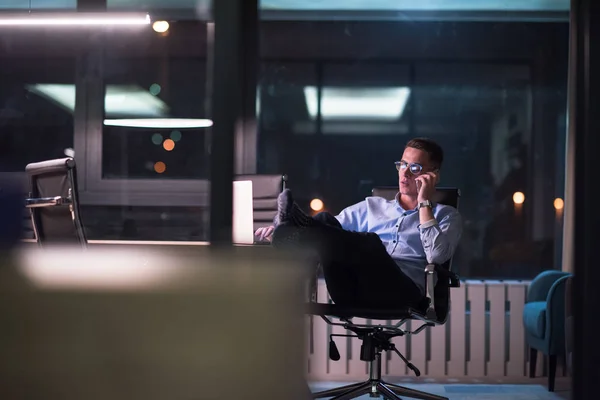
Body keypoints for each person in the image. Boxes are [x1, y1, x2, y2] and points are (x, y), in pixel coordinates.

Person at [255, 138, 462, 309]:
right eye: (402, 164)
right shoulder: (372, 206)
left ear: (432, 175)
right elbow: (326, 231)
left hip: (401, 292)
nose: (405, 173)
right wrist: (278, 231)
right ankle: (292, 227)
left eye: (415, 167)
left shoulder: (445, 215)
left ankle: (296, 225)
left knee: (371, 243)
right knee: (327, 221)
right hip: (350, 290)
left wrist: (424, 201)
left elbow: (436, 256)